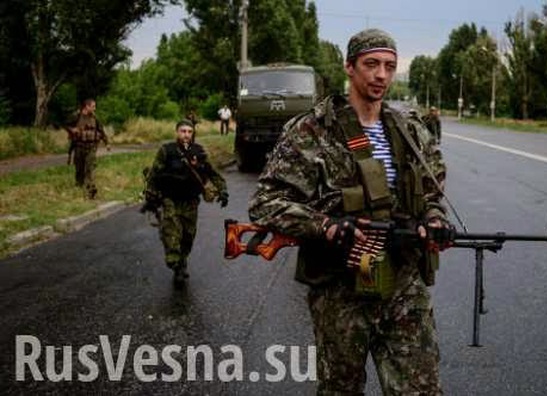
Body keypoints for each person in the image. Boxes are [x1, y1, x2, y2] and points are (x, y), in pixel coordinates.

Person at [249, 29, 450, 394]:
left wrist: (435, 222)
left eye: (389, 66)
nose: (381, 75)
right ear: (350, 67)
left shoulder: (409, 130)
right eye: (371, 64)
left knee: (421, 389)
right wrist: (324, 225)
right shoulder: (312, 130)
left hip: (403, 281)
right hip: (339, 288)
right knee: (341, 388)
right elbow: (265, 202)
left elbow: (432, 190)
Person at [142, 119, 229, 285]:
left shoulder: (199, 151)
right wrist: (150, 195)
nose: (186, 135)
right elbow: (154, 173)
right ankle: (175, 263)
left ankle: (182, 263)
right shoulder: (166, 150)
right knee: (172, 232)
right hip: (170, 200)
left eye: (189, 131)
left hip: (190, 202)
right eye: (183, 131)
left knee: (188, 236)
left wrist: (223, 190)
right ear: (177, 132)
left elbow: (212, 173)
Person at [65, 98, 110, 199]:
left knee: (89, 168)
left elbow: (101, 130)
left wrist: (107, 143)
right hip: (79, 147)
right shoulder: (76, 116)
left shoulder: (95, 118)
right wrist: (72, 130)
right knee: (79, 169)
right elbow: (66, 125)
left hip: (91, 147)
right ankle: (79, 186)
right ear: (87, 106)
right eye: (93, 106)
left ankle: (90, 189)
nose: (95, 108)